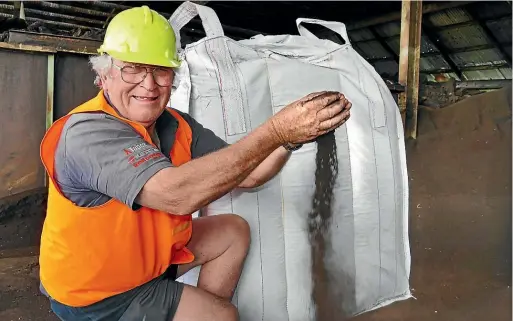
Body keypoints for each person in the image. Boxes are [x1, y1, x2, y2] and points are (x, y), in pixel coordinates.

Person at [39, 5, 351, 321]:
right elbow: (176, 195)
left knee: (233, 231)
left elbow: (250, 172)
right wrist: (277, 129)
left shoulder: (175, 125)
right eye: (133, 68)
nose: (149, 85)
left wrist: (291, 139)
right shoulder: (86, 133)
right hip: (100, 292)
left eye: (160, 70)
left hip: (145, 261)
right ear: (103, 74)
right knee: (224, 316)